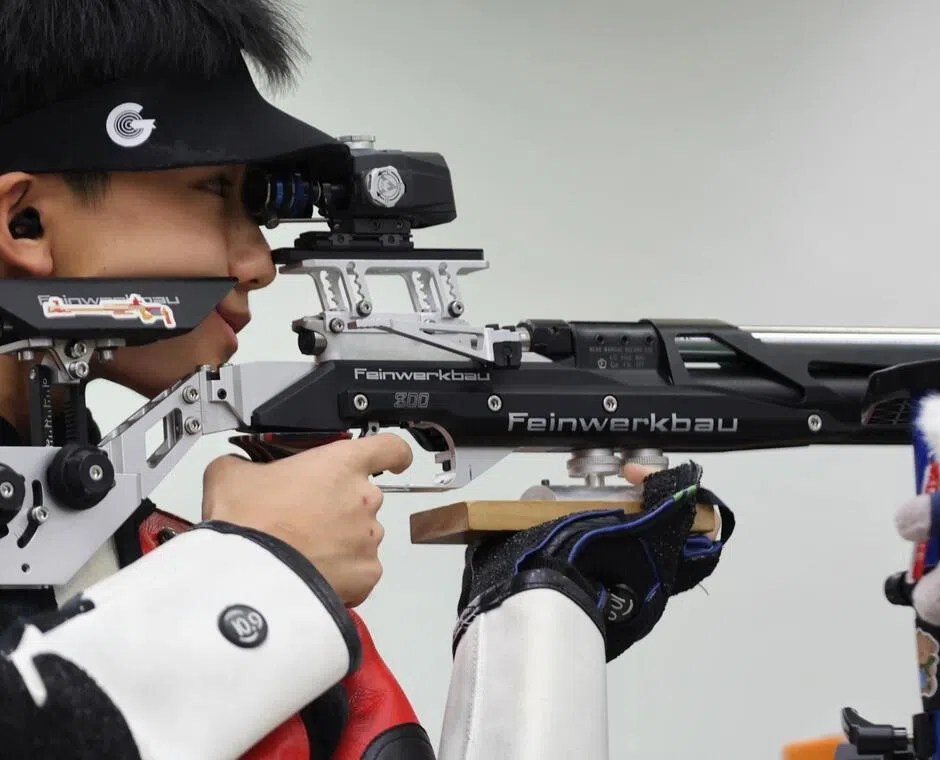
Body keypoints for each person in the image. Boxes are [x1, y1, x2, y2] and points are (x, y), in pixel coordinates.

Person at [0, 2, 735, 758]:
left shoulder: (150, 557)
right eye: (216, 191)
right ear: (24, 223)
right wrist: (255, 569)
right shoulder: (217, 575)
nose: (258, 262)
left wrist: (538, 615)